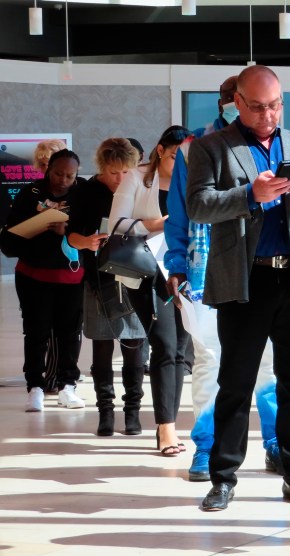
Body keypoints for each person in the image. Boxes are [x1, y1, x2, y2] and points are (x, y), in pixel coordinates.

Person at [185, 64, 290, 511]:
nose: (269, 115)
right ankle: (223, 476)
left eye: (276, 105)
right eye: (258, 106)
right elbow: (199, 206)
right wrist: (249, 197)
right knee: (236, 381)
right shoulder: (210, 147)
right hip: (246, 279)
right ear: (237, 103)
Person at [166, 73, 282, 482]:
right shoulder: (194, 147)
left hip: (262, 271)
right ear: (231, 101)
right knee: (210, 361)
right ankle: (207, 446)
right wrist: (177, 265)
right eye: (231, 100)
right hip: (204, 270)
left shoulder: (274, 141)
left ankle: (274, 442)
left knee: (269, 364)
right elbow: (182, 211)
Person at [109, 125, 192, 453]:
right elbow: (117, 224)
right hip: (145, 270)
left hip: (184, 270)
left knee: (181, 351)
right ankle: (165, 427)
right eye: (175, 156)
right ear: (160, 151)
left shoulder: (193, 178)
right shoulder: (137, 177)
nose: (181, 163)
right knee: (165, 345)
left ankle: (169, 420)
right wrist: (158, 224)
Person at [67, 138, 144, 436]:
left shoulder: (140, 185)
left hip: (134, 274)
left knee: (135, 345)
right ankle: (105, 413)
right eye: (114, 173)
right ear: (102, 168)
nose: (121, 179)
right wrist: (86, 242)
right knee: (101, 344)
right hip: (98, 277)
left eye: (126, 172)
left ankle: (133, 412)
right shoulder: (86, 191)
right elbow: (71, 235)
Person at [0, 149, 86, 413]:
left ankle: (67, 386)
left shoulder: (83, 193)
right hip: (33, 274)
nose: (63, 180)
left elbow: (93, 227)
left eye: (70, 175)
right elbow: (12, 232)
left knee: (69, 333)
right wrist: (37, 224)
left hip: (71, 274)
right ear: (49, 170)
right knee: (36, 332)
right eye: (59, 173)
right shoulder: (31, 192)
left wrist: (67, 230)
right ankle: (35, 387)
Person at [31, 138, 69, 395]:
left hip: (67, 266)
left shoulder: (77, 190)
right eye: (43, 164)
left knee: (61, 328)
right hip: (37, 265)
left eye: (51, 164)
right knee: (38, 327)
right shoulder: (33, 191)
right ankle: (39, 376)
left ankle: (56, 377)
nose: (46, 169)